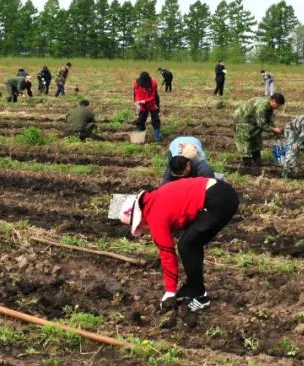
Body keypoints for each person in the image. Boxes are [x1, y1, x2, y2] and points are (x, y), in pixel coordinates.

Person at [120, 176, 240, 313]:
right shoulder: (157, 196)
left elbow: (167, 254)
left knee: (187, 246)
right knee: (192, 243)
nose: (144, 227)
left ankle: (201, 297)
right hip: (223, 192)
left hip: (217, 200)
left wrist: (170, 291)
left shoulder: (155, 216)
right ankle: (192, 288)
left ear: (139, 217)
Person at [233, 94, 285, 168]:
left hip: (252, 119)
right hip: (242, 119)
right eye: (278, 105)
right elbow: (261, 124)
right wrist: (273, 129)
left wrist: (275, 128)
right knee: (245, 139)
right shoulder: (262, 107)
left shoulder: (269, 106)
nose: (278, 107)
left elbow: (268, 119)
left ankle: (257, 160)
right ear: (273, 101)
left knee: (256, 138)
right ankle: (247, 163)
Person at [133, 71, 162, 142]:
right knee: (141, 120)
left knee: (155, 119)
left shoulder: (153, 83)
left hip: (152, 103)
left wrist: (145, 101)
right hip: (142, 104)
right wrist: (138, 101)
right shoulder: (137, 83)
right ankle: (139, 138)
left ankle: (157, 138)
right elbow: (136, 95)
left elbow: (153, 96)